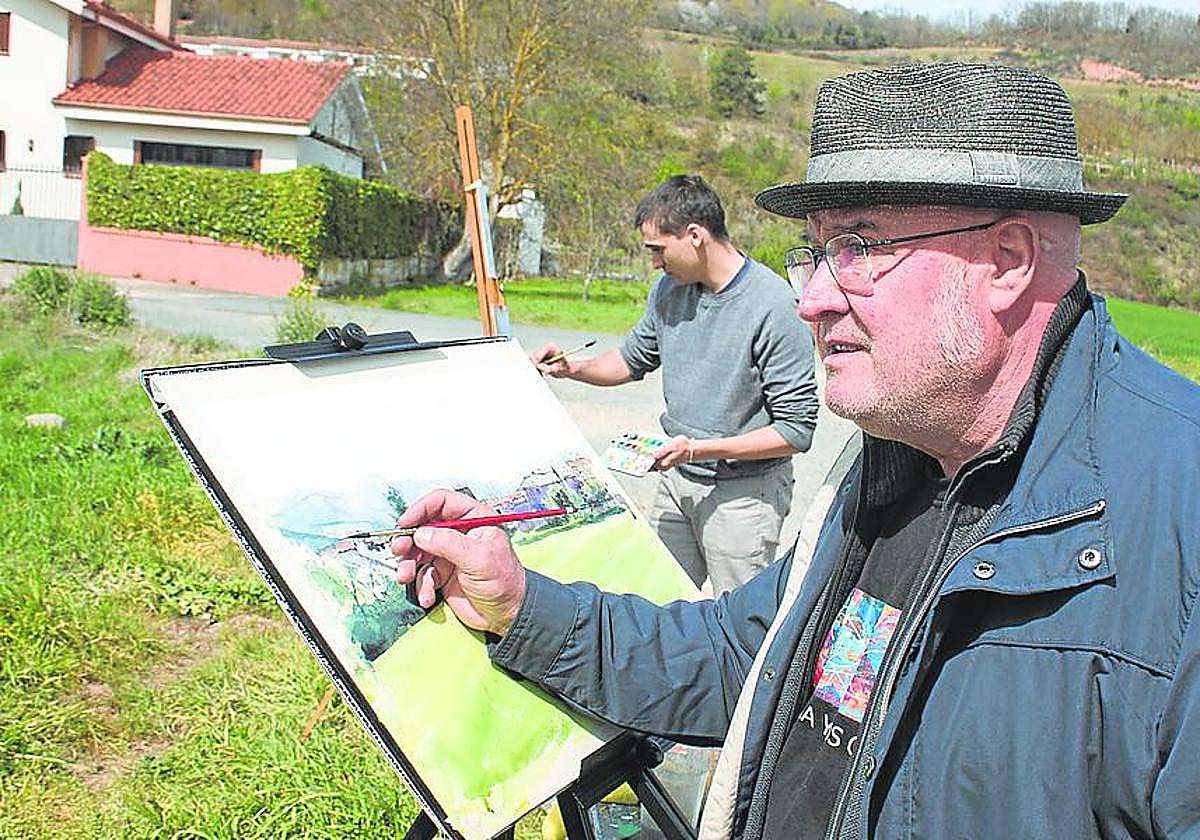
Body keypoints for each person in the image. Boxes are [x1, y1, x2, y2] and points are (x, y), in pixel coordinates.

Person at [393, 62, 1200, 839]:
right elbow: (746, 658)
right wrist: (520, 605)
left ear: (1009, 261)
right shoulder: (901, 461)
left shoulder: (1178, 523)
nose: (812, 298)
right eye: (814, 251)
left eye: (859, 247)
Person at [530, 174, 819, 594]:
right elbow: (629, 360)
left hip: (743, 497)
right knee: (657, 601)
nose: (653, 263)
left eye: (658, 250)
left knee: (735, 625)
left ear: (695, 236)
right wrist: (571, 366)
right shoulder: (669, 291)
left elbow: (795, 432)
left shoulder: (775, 307)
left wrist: (699, 448)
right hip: (677, 479)